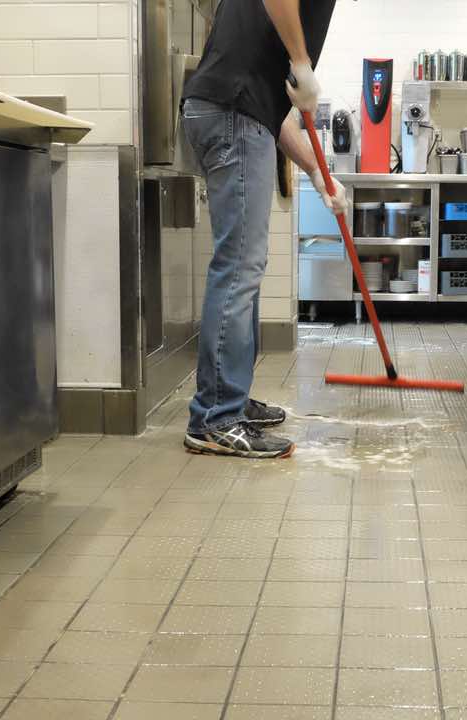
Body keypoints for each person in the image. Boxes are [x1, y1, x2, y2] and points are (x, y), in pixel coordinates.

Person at [181, 0, 346, 459]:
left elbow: (267, 112)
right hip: (231, 112)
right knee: (239, 266)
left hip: (234, 110)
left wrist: (316, 171)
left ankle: (228, 397)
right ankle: (217, 417)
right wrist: (301, 60)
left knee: (245, 266)